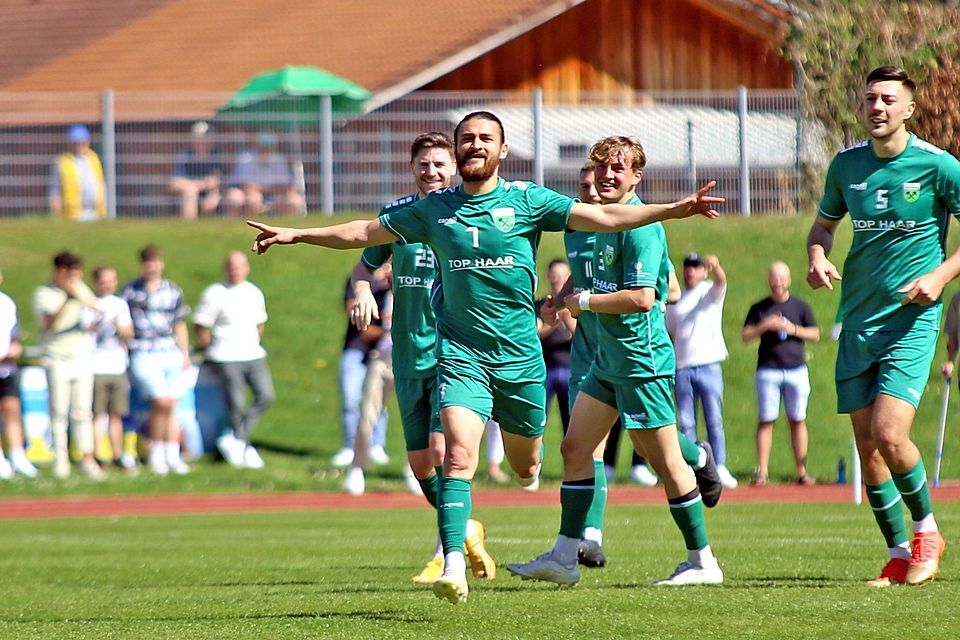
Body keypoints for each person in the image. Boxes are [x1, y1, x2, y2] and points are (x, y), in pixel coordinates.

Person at [248, 110, 722, 604]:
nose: (475, 145)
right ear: (457, 152)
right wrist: (297, 234)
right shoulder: (433, 210)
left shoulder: (527, 202)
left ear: (502, 151)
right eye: (467, 139)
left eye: (485, 138)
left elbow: (604, 216)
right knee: (461, 456)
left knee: (537, 467)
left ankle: (682, 532)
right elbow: (364, 233)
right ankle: (456, 562)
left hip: (527, 359)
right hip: (462, 354)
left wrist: (673, 210)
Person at [507, 136, 723, 587]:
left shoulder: (641, 227)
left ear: (636, 178)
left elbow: (645, 298)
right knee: (574, 448)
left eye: (617, 170)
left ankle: (702, 562)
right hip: (607, 358)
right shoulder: (582, 224)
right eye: (601, 168)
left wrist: (582, 301)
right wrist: (558, 303)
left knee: (665, 462)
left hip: (640, 359)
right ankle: (566, 557)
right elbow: (581, 289)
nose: (607, 176)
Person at [807, 65, 959, 587]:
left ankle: (927, 534)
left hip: (912, 321)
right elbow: (824, 225)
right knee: (868, 449)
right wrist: (816, 256)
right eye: (870, 98)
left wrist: (939, 277)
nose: (877, 106)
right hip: (857, 321)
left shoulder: (938, 167)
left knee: (890, 434)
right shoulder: (846, 166)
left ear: (909, 109)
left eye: (888, 99)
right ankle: (898, 555)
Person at [345, 132, 496, 585]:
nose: (431, 172)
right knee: (420, 465)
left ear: (454, 169)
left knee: (441, 450)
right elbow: (363, 262)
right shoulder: (399, 218)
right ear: (412, 168)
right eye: (423, 164)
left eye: (439, 165)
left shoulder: (467, 215)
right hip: (407, 354)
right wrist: (361, 291)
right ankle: (465, 529)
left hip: (454, 354)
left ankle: (445, 554)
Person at [194, 251, 275, 469]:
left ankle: (237, 439)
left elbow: (260, 323)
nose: (236, 270)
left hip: (253, 353)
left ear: (246, 268)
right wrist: (210, 348)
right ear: (226, 268)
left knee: (266, 395)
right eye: (232, 266)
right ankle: (242, 445)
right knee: (236, 403)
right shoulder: (215, 293)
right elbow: (201, 324)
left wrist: (253, 341)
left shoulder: (254, 293)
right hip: (226, 355)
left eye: (240, 266)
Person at [741, 261, 820, 486]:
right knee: (766, 419)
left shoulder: (800, 306)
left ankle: (802, 471)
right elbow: (746, 336)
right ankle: (762, 472)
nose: (778, 282)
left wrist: (792, 329)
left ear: (789, 280)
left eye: (782, 277)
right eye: (774, 278)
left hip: (796, 369)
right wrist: (765, 325)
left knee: (797, 419)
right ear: (769, 280)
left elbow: (815, 333)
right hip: (768, 369)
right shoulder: (759, 308)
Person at [666, 252, 737, 489]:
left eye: (696, 267)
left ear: (703, 271)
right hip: (683, 366)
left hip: (708, 364)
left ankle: (720, 466)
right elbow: (670, 330)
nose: (691, 271)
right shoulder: (676, 299)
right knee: (686, 422)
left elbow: (721, 282)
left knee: (714, 419)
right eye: (688, 267)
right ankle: (692, 467)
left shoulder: (708, 291)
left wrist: (716, 267)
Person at [121, 245, 192, 476]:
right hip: (143, 349)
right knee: (160, 401)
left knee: (172, 403)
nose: (151, 266)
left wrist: (184, 353)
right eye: (147, 262)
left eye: (155, 261)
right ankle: (155, 450)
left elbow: (179, 323)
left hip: (168, 349)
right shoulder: (131, 291)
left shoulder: (173, 290)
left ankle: (172, 454)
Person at [33, 252, 102, 479]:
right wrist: (67, 299)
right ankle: (60, 460)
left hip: (81, 357)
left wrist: (84, 301)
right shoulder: (44, 293)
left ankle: (87, 458)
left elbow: (97, 310)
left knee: (83, 411)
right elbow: (48, 323)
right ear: (61, 271)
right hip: (56, 357)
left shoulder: (80, 287)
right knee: (59, 412)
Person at [330, 272, 391, 468]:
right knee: (350, 398)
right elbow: (351, 308)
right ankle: (350, 446)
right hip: (355, 349)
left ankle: (376, 446)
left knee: (377, 400)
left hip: (383, 350)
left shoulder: (395, 280)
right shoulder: (359, 277)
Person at [90, 265, 136, 470]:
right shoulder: (89, 303)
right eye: (104, 280)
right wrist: (99, 320)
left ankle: (118, 454)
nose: (108, 283)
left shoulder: (120, 304)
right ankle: (98, 454)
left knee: (117, 414)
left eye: (112, 279)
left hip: (117, 365)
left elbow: (129, 333)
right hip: (96, 365)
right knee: (98, 414)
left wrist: (119, 326)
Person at [0, 269, 37, 478]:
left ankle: (17, 454)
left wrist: (15, 346)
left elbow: (14, 332)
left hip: (6, 366)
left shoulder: (6, 303)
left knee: (12, 409)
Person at [224, 131, 304, 216]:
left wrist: (268, 191)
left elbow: (285, 186)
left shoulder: (280, 159)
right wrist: (262, 191)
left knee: (296, 201)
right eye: (263, 147)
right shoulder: (245, 159)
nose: (266, 150)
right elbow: (243, 185)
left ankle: (286, 227)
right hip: (251, 195)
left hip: (275, 196)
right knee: (242, 199)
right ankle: (239, 224)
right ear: (257, 146)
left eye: (269, 147)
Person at [535, 259, 573, 435]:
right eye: (556, 276)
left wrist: (567, 317)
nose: (560, 280)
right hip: (546, 367)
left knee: (572, 421)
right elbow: (535, 334)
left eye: (564, 276)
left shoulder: (577, 305)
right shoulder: (540, 305)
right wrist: (553, 318)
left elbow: (583, 335)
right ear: (549, 277)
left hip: (571, 367)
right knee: (538, 418)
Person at [48, 124, 106, 221]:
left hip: (96, 213)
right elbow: (55, 191)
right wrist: (57, 216)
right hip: (73, 215)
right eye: (76, 142)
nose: (79, 145)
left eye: (82, 141)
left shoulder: (94, 158)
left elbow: (101, 184)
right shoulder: (62, 162)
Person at [168, 121, 223, 219]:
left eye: (207, 138)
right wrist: (201, 185)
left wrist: (213, 194)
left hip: (209, 195)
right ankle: (189, 229)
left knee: (216, 196)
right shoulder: (185, 156)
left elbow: (216, 181)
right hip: (189, 193)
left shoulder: (215, 156)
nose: (204, 142)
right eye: (201, 138)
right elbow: (174, 183)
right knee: (190, 192)